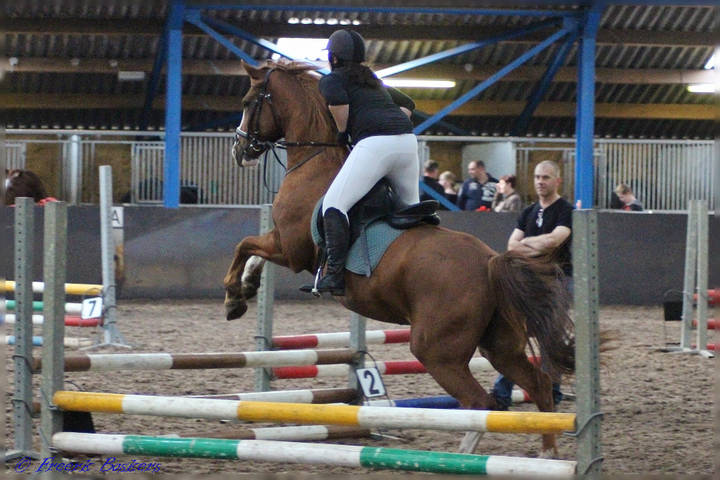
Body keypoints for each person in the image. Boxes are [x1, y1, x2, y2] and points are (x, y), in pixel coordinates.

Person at [313, 29, 419, 296]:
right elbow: (408, 104)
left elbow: (339, 105)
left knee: (334, 204)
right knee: (412, 209)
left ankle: (334, 274)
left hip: (375, 145)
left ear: (334, 58)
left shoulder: (332, 80)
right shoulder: (373, 82)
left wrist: (342, 133)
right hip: (407, 142)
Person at [491, 160, 573, 411]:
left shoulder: (565, 210)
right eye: (537, 177)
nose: (540, 182)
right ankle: (502, 393)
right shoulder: (528, 211)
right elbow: (511, 245)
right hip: (528, 282)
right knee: (514, 336)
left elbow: (555, 241)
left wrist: (526, 243)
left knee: (551, 338)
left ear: (557, 181)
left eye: (546, 177)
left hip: (556, 280)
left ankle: (552, 392)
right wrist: (536, 244)